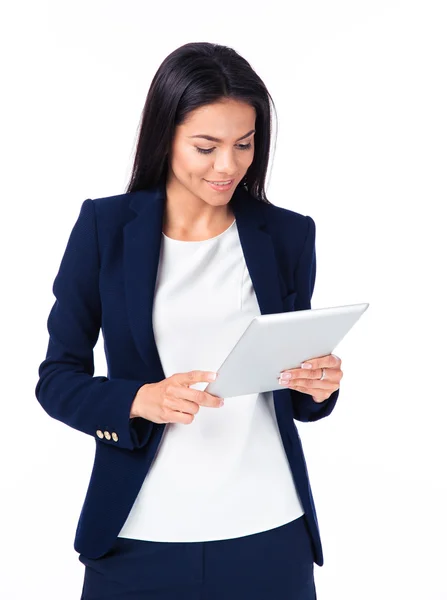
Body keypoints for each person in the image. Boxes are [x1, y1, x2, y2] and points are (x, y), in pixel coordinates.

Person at [35, 41, 343, 600]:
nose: (229, 166)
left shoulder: (289, 236)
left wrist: (318, 386)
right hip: (136, 535)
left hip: (269, 530)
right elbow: (57, 378)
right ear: (166, 136)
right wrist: (137, 400)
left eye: (244, 144)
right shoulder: (105, 228)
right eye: (207, 146)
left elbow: (295, 396)